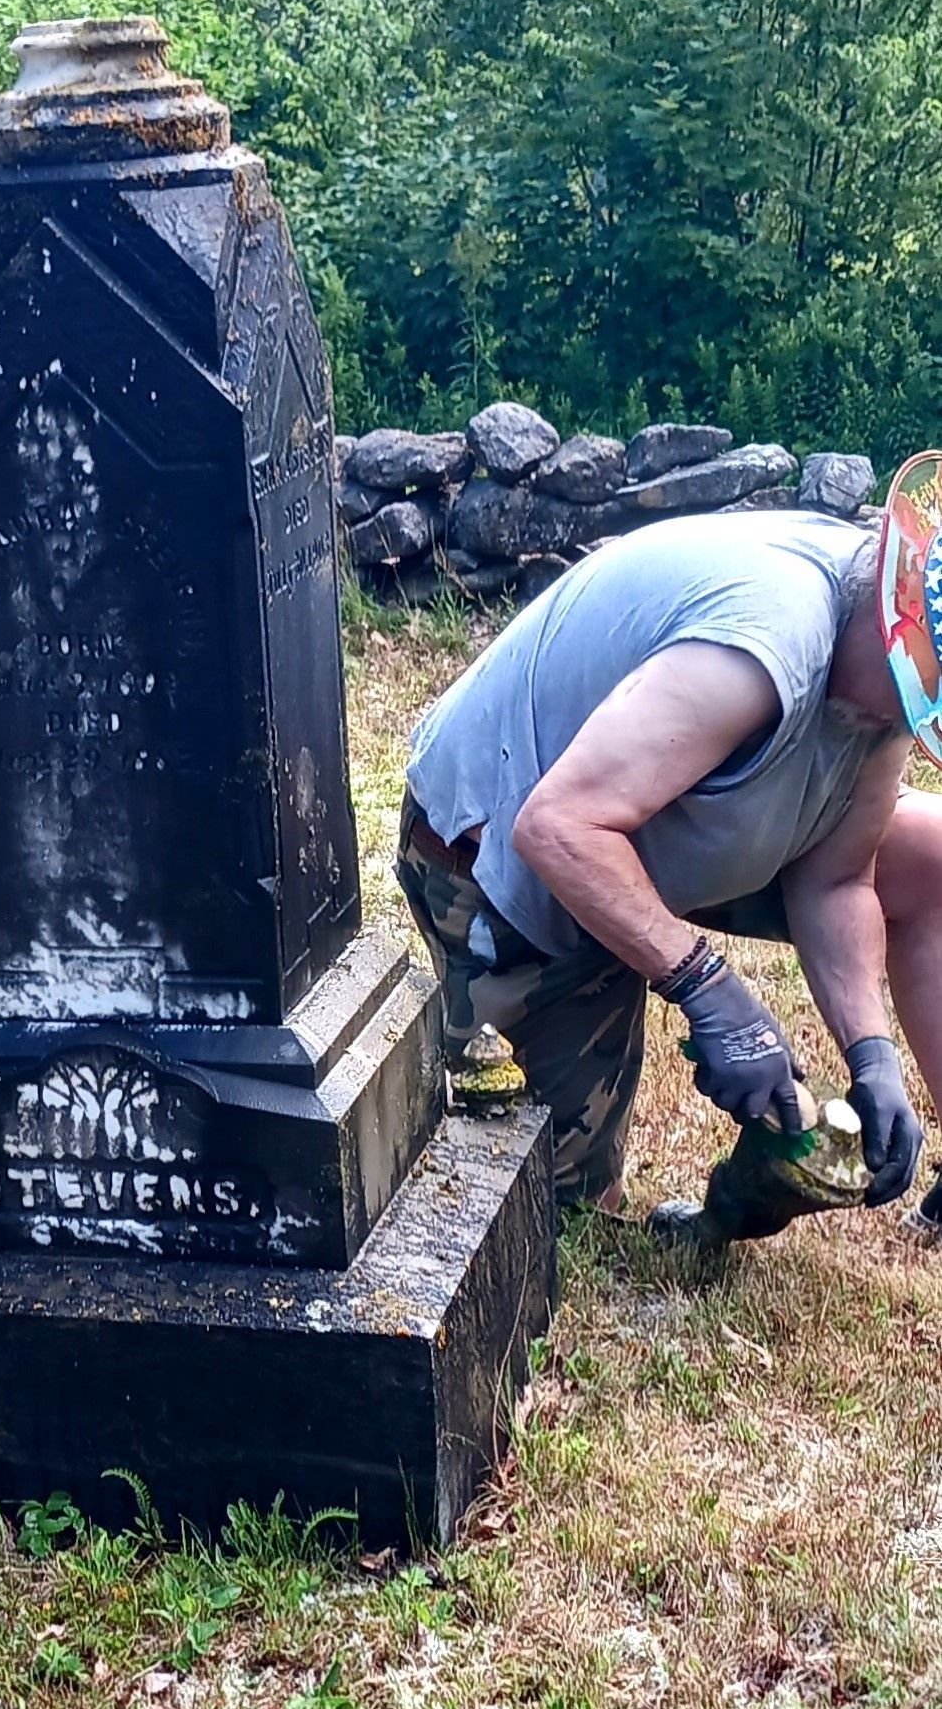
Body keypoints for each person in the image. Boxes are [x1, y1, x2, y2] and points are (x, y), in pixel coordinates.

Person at [397, 457, 942, 1222]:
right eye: (917, 690)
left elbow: (837, 880)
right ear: (892, 617)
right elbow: (557, 828)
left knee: (931, 853)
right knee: (558, 1210)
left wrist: (870, 1052)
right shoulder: (762, 644)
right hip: (500, 857)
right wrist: (708, 990)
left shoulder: (877, 694)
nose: (909, 723)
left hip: (659, 815)